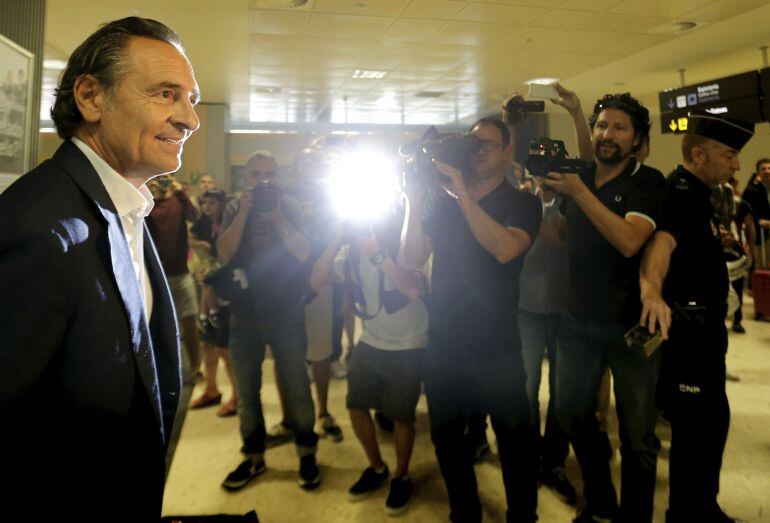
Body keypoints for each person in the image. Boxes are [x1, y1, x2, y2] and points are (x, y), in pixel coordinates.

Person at [0, 17, 199, 520]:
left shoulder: (123, 204)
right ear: (91, 97)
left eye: (190, 99)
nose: (189, 120)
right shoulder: (38, 229)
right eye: (166, 93)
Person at [403, 117, 542, 522]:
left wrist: (461, 193)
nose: (477, 151)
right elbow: (411, 258)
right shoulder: (439, 202)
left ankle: (523, 515)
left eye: (487, 144)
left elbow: (504, 249)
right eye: (472, 143)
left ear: (506, 151)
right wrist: (413, 199)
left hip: (497, 345)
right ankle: (464, 513)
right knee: (447, 440)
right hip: (445, 341)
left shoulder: (523, 203)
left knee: (515, 441)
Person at [543, 92, 666, 523]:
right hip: (577, 322)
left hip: (632, 327)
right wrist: (545, 201)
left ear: (637, 139)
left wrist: (579, 192)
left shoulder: (647, 182)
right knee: (571, 413)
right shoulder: (582, 176)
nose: (607, 134)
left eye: (619, 128)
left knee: (638, 437)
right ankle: (600, 505)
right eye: (601, 126)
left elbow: (630, 240)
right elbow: (557, 237)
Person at [640, 111, 754, 523]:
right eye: (730, 155)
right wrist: (651, 289)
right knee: (695, 433)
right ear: (700, 155)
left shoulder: (700, 195)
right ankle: (689, 514)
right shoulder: (678, 193)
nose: (737, 164)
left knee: (711, 425)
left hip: (706, 336)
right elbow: (661, 244)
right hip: (687, 338)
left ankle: (701, 507)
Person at [311, 197, 428, 516]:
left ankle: (401, 476)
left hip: (408, 343)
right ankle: (377, 469)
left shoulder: (406, 243)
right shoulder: (352, 251)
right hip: (371, 340)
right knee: (356, 406)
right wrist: (337, 237)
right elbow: (317, 279)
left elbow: (412, 289)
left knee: (402, 416)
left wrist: (378, 255)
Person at [217, 151, 321, 491]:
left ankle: (307, 453)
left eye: (269, 174)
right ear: (246, 177)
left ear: (278, 176)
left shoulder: (289, 206)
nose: (263, 181)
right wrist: (245, 212)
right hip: (244, 313)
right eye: (256, 174)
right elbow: (224, 253)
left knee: (297, 385)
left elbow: (305, 252)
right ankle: (253, 456)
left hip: (286, 310)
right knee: (247, 393)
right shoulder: (235, 206)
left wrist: (277, 218)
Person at [147, 173, 202, 383]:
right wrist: (149, 193)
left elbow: (195, 217)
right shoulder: (147, 200)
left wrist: (180, 193)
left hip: (180, 273)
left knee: (190, 322)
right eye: (158, 178)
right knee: (156, 324)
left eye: (166, 178)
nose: (162, 182)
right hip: (155, 274)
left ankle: (196, 368)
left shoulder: (179, 199)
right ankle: (159, 369)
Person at [189, 189, 239, 417]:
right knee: (207, 343)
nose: (207, 207)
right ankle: (211, 389)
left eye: (212, 202)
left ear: (221, 203)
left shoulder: (230, 223)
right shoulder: (201, 224)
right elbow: (190, 241)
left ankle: (238, 396)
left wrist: (210, 259)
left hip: (225, 293)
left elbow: (228, 256)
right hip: (207, 291)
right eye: (203, 202)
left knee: (224, 347)